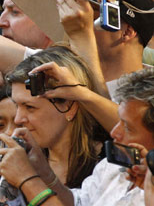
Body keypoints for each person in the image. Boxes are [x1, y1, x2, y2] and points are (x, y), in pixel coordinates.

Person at [0, 67, 154, 206]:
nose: (114, 133)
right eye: (118, 121)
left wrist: (28, 180)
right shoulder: (114, 165)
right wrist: (41, 171)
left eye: (127, 127)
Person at [6, 45, 105, 189]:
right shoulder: (15, 162)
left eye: (30, 107)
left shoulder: (107, 167)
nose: (18, 119)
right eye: (17, 106)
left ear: (69, 106)